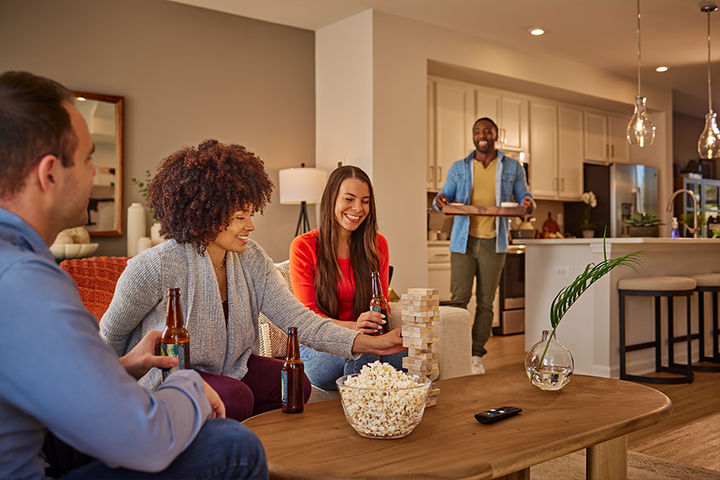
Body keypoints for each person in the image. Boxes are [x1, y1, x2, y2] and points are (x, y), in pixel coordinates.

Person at [0, 71, 267, 479]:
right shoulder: (24, 280)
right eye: (89, 158)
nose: (95, 173)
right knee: (234, 447)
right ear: (49, 173)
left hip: (41, 442)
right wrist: (190, 387)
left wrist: (121, 367)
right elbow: (147, 440)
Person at [100, 141, 403, 422]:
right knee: (237, 397)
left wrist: (373, 343)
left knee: (293, 381)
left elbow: (299, 319)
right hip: (168, 377)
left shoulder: (251, 259)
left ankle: (264, 448)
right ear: (207, 216)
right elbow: (106, 341)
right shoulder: (153, 267)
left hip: (230, 367)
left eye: (251, 213)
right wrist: (114, 391)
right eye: (240, 217)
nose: (251, 225)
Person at [289, 166, 406, 390]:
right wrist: (353, 328)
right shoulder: (303, 246)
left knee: (409, 358)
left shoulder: (377, 245)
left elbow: (381, 305)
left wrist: (377, 325)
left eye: (365, 201)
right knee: (361, 354)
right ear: (332, 198)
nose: (358, 208)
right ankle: (367, 418)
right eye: (349, 199)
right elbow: (307, 317)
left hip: (367, 339)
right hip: (318, 346)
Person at [434, 117, 534, 375]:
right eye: (477, 131)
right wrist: (441, 199)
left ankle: (476, 354)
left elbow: (526, 197)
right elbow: (442, 199)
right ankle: (457, 352)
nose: (482, 135)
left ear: (495, 135)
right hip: (462, 242)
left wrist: (527, 202)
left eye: (487, 131)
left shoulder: (512, 167)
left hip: (494, 242)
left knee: (486, 302)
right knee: (459, 300)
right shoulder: (459, 167)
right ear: (472, 136)